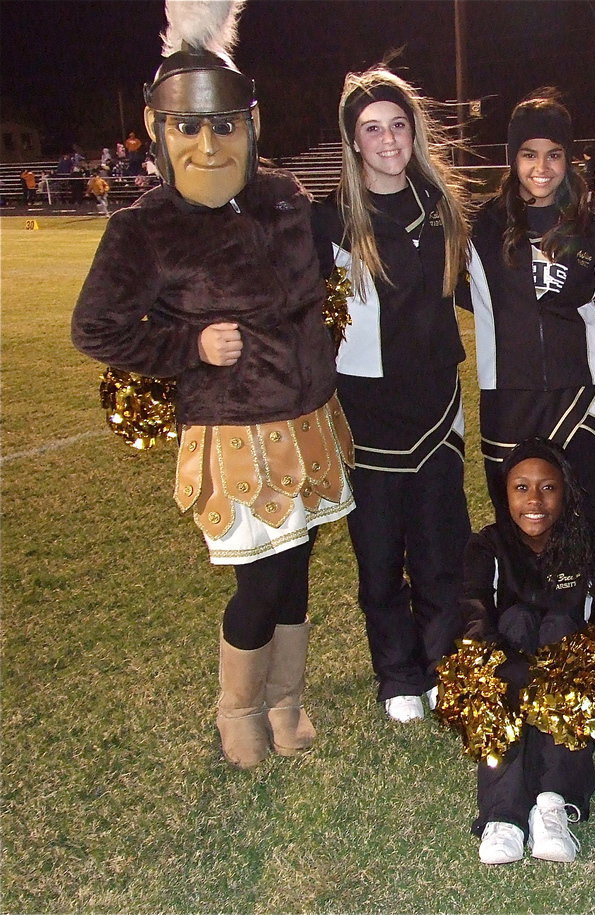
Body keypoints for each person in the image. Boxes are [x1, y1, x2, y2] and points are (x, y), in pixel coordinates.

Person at [71, 0, 353, 769]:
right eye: (188, 127)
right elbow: (95, 328)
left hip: (308, 422)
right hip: (232, 433)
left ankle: (288, 701)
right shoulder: (143, 226)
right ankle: (239, 711)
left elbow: (326, 276)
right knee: (257, 584)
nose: (207, 141)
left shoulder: (286, 195)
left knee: (297, 567)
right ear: (159, 131)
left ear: (250, 125)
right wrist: (189, 344)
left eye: (222, 125)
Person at [312, 66, 472, 724]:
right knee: (379, 557)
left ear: (414, 133)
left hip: (436, 407)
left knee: (441, 548)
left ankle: (441, 661)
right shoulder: (327, 219)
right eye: (371, 128)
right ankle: (397, 670)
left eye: (397, 125)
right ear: (353, 140)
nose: (386, 139)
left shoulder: (443, 209)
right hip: (365, 413)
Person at [461, 438, 595, 866]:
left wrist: (556, 672)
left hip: (571, 669)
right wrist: (510, 669)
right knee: (514, 622)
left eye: (548, 488)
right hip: (507, 664)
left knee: (560, 625)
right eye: (521, 488)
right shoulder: (488, 545)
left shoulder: (594, 541)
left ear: (567, 491)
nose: (534, 500)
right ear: (505, 493)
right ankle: (505, 816)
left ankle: (552, 802)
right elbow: (474, 614)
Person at [462, 89, 595, 534]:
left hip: (580, 394)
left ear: (568, 160)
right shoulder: (481, 229)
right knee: (520, 519)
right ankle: (520, 601)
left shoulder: (592, 232)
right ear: (512, 158)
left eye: (553, 155)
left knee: (584, 512)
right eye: (528, 154)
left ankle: (581, 599)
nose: (541, 168)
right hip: (508, 396)